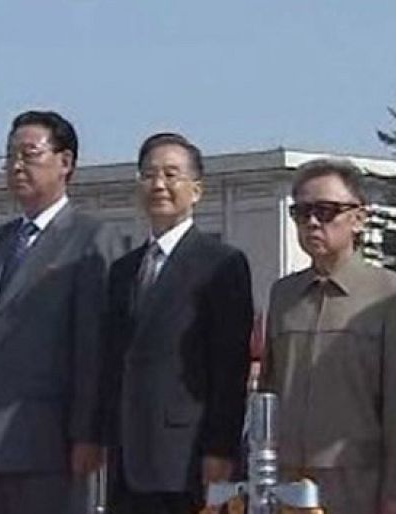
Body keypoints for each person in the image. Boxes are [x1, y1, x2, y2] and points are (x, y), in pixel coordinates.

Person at [0, 110, 114, 514]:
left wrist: (88, 434)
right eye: (10, 156)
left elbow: (93, 348)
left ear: (65, 161)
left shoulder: (90, 238)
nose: (17, 166)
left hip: (46, 444)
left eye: (29, 154)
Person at [103, 132, 253, 514]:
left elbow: (229, 368)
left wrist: (220, 450)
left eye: (171, 175)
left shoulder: (221, 264)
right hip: (127, 457)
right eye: (149, 175)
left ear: (197, 190)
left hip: (187, 457)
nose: (158, 185)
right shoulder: (123, 270)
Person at [262, 158, 396, 514]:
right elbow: (269, 391)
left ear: (359, 219)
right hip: (288, 482)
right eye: (301, 213)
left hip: (357, 484)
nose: (312, 222)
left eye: (326, 211)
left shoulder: (389, 294)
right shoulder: (283, 295)